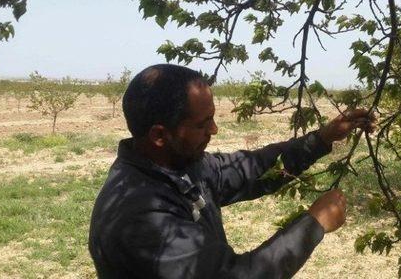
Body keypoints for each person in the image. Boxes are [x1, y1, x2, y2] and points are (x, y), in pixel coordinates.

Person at [88, 64, 375, 278]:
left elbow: (252, 169)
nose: (214, 130)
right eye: (203, 123)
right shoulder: (141, 217)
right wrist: (314, 223)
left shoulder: (181, 167)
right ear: (160, 135)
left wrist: (323, 138)